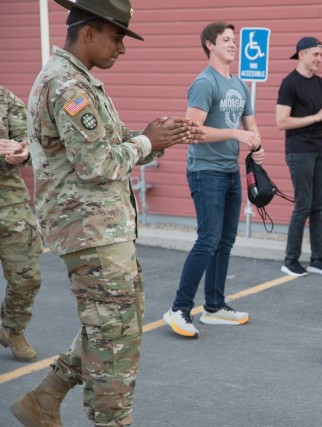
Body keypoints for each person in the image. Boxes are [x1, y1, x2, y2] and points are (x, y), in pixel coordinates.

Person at [12, 1, 202, 425]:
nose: (122, 48)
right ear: (88, 33)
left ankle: (45, 398)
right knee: (115, 338)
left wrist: (156, 136)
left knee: (117, 322)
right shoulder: (68, 87)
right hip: (90, 230)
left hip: (101, 228)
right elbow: (96, 165)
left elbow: (106, 145)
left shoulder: (77, 81)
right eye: (117, 37)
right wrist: (146, 143)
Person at [164, 21, 265, 337]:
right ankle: (179, 309)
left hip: (230, 172)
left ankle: (214, 307)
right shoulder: (204, 83)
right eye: (226, 40)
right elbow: (192, 132)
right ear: (210, 44)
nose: (233, 44)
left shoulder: (239, 85)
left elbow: (251, 125)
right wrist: (237, 134)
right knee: (208, 239)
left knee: (225, 240)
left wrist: (257, 146)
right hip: (205, 172)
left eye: (234, 40)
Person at [276, 36, 322, 277]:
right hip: (299, 150)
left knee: (319, 207)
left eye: (321, 55)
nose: (320, 59)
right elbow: (281, 122)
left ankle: (317, 259)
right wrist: (316, 116)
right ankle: (290, 260)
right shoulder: (289, 83)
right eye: (316, 55)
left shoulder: (321, 84)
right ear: (301, 54)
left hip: (319, 148)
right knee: (303, 205)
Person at [0, 86, 43, 363]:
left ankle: (12, 329)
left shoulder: (3, 97)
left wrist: (22, 152)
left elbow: (28, 136)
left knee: (27, 277)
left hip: (9, 202)